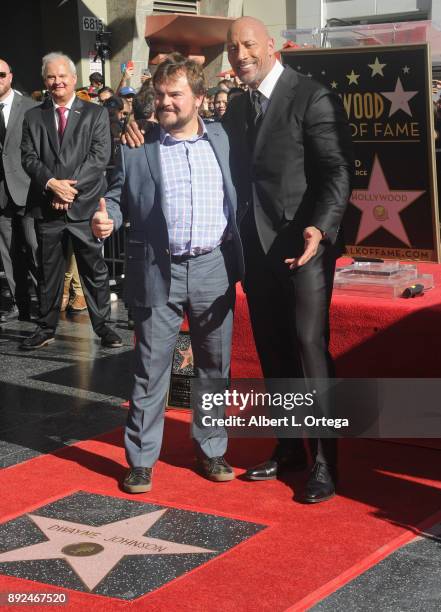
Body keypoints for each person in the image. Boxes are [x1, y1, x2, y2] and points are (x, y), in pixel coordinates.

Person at [91, 53, 244, 494]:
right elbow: (117, 198)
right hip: (158, 268)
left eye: (175, 95)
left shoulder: (223, 140)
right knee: (150, 367)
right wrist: (109, 219)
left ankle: (212, 449)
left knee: (215, 367)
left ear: (199, 97)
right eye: (159, 95)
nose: (165, 103)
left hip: (213, 265)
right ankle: (141, 460)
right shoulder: (139, 147)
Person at [224, 17, 354, 503]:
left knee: (308, 346)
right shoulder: (238, 108)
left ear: (271, 47)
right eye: (233, 48)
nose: (240, 55)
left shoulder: (311, 96)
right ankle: (290, 447)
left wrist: (320, 229)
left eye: (248, 45)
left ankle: (325, 460)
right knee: (274, 351)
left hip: (306, 248)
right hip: (256, 252)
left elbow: (337, 170)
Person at [20, 52, 122, 349]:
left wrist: (69, 190)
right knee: (48, 272)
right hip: (48, 208)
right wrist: (53, 185)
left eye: (62, 75)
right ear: (45, 81)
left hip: (84, 207)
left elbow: (99, 157)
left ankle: (103, 327)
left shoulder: (95, 114)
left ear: (74, 79)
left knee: (94, 270)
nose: (57, 81)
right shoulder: (33, 116)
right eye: (51, 76)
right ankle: (45, 327)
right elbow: (28, 158)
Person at [0, 58, 39, 323]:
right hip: (1, 193)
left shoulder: (31, 107)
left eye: (1, 74)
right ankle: (20, 304)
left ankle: (45, 304)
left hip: (27, 189)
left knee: (35, 248)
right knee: (7, 252)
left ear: (10, 76)